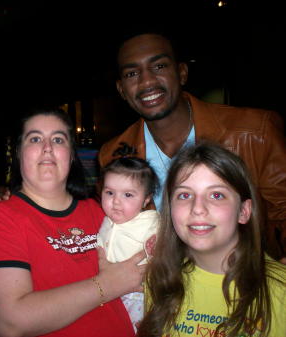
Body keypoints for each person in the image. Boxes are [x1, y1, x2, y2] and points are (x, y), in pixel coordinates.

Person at [98, 32, 286, 260]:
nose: (146, 81)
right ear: (121, 90)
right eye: (132, 73)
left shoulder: (256, 131)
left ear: (182, 73)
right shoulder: (112, 156)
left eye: (158, 66)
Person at [0, 107, 145, 337]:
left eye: (58, 139)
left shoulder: (100, 210)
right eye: (35, 139)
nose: (47, 148)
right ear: (20, 152)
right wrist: (108, 285)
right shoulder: (1, 217)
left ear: (71, 155)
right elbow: (10, 322)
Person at [138, 142, 286, 337]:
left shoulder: (279, 289)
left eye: (217, 195)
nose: (198, 208)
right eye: (184, 195)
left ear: (243, 211)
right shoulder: (157, 279)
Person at [96, 156, 160, 333]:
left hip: (137, 295)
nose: (116, 201)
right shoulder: (106, 220)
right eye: (109, 192)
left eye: (128, 195)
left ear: (146, 199)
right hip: (107, 292)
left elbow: (166, 250)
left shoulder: (150, 222)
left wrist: (156, 248)